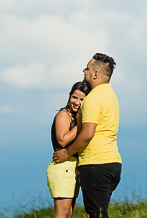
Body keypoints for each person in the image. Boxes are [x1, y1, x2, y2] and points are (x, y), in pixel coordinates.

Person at [53, 54, 121, 218]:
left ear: (96, 73)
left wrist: (66, 153)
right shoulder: (111, 96)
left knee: (95, 214)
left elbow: (87, 134)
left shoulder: (93, 98)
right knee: (98, 213)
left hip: (95, 163)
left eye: (88, 68)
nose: (84, 71)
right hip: (113, 163)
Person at [46, 80, 90, 218]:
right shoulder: (63, 114)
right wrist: (81, 126)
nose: (77, 102)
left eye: (82, 99)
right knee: (62, 213)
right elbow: (62, 139)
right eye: (74, 97)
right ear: (69, 96)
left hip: (72, 167)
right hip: (62, 166)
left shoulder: (76, 116)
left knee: (68, 213)